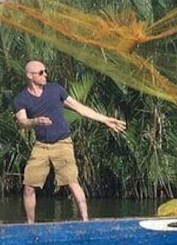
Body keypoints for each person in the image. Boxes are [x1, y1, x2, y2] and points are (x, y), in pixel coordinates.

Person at [14, 60, 127, 223]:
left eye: (45, 71)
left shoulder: (55, 90)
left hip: (62, 143)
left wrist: (105, 120)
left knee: (72, 182)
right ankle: (30, 226)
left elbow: (80, 108)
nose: (45, 74)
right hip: (41, 146)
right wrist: (36, 121)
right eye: (41, 72)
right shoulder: (21, 98)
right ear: (30, 76)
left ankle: (85, 221)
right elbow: (23, 122)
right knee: (29, 186)